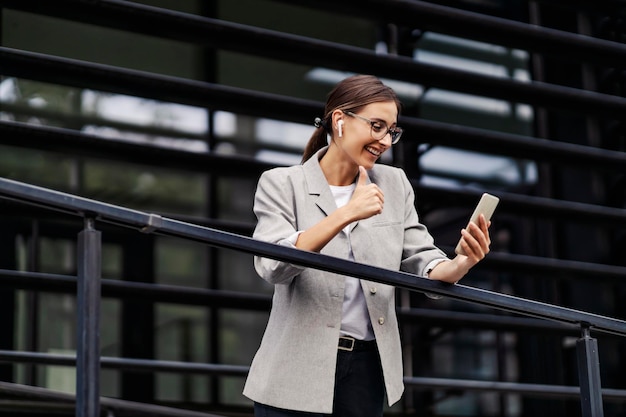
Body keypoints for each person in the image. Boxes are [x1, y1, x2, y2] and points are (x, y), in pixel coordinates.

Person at [243, 74, 492, 417]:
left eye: (391, 130)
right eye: (376, 126)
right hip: (294, 366)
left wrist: (462, 261)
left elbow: (423, 258)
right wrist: (346, 213)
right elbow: (273, 266)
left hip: (366, 369)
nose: (385, 140)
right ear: (340, 120)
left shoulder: (395, 183)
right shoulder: (282, 183)